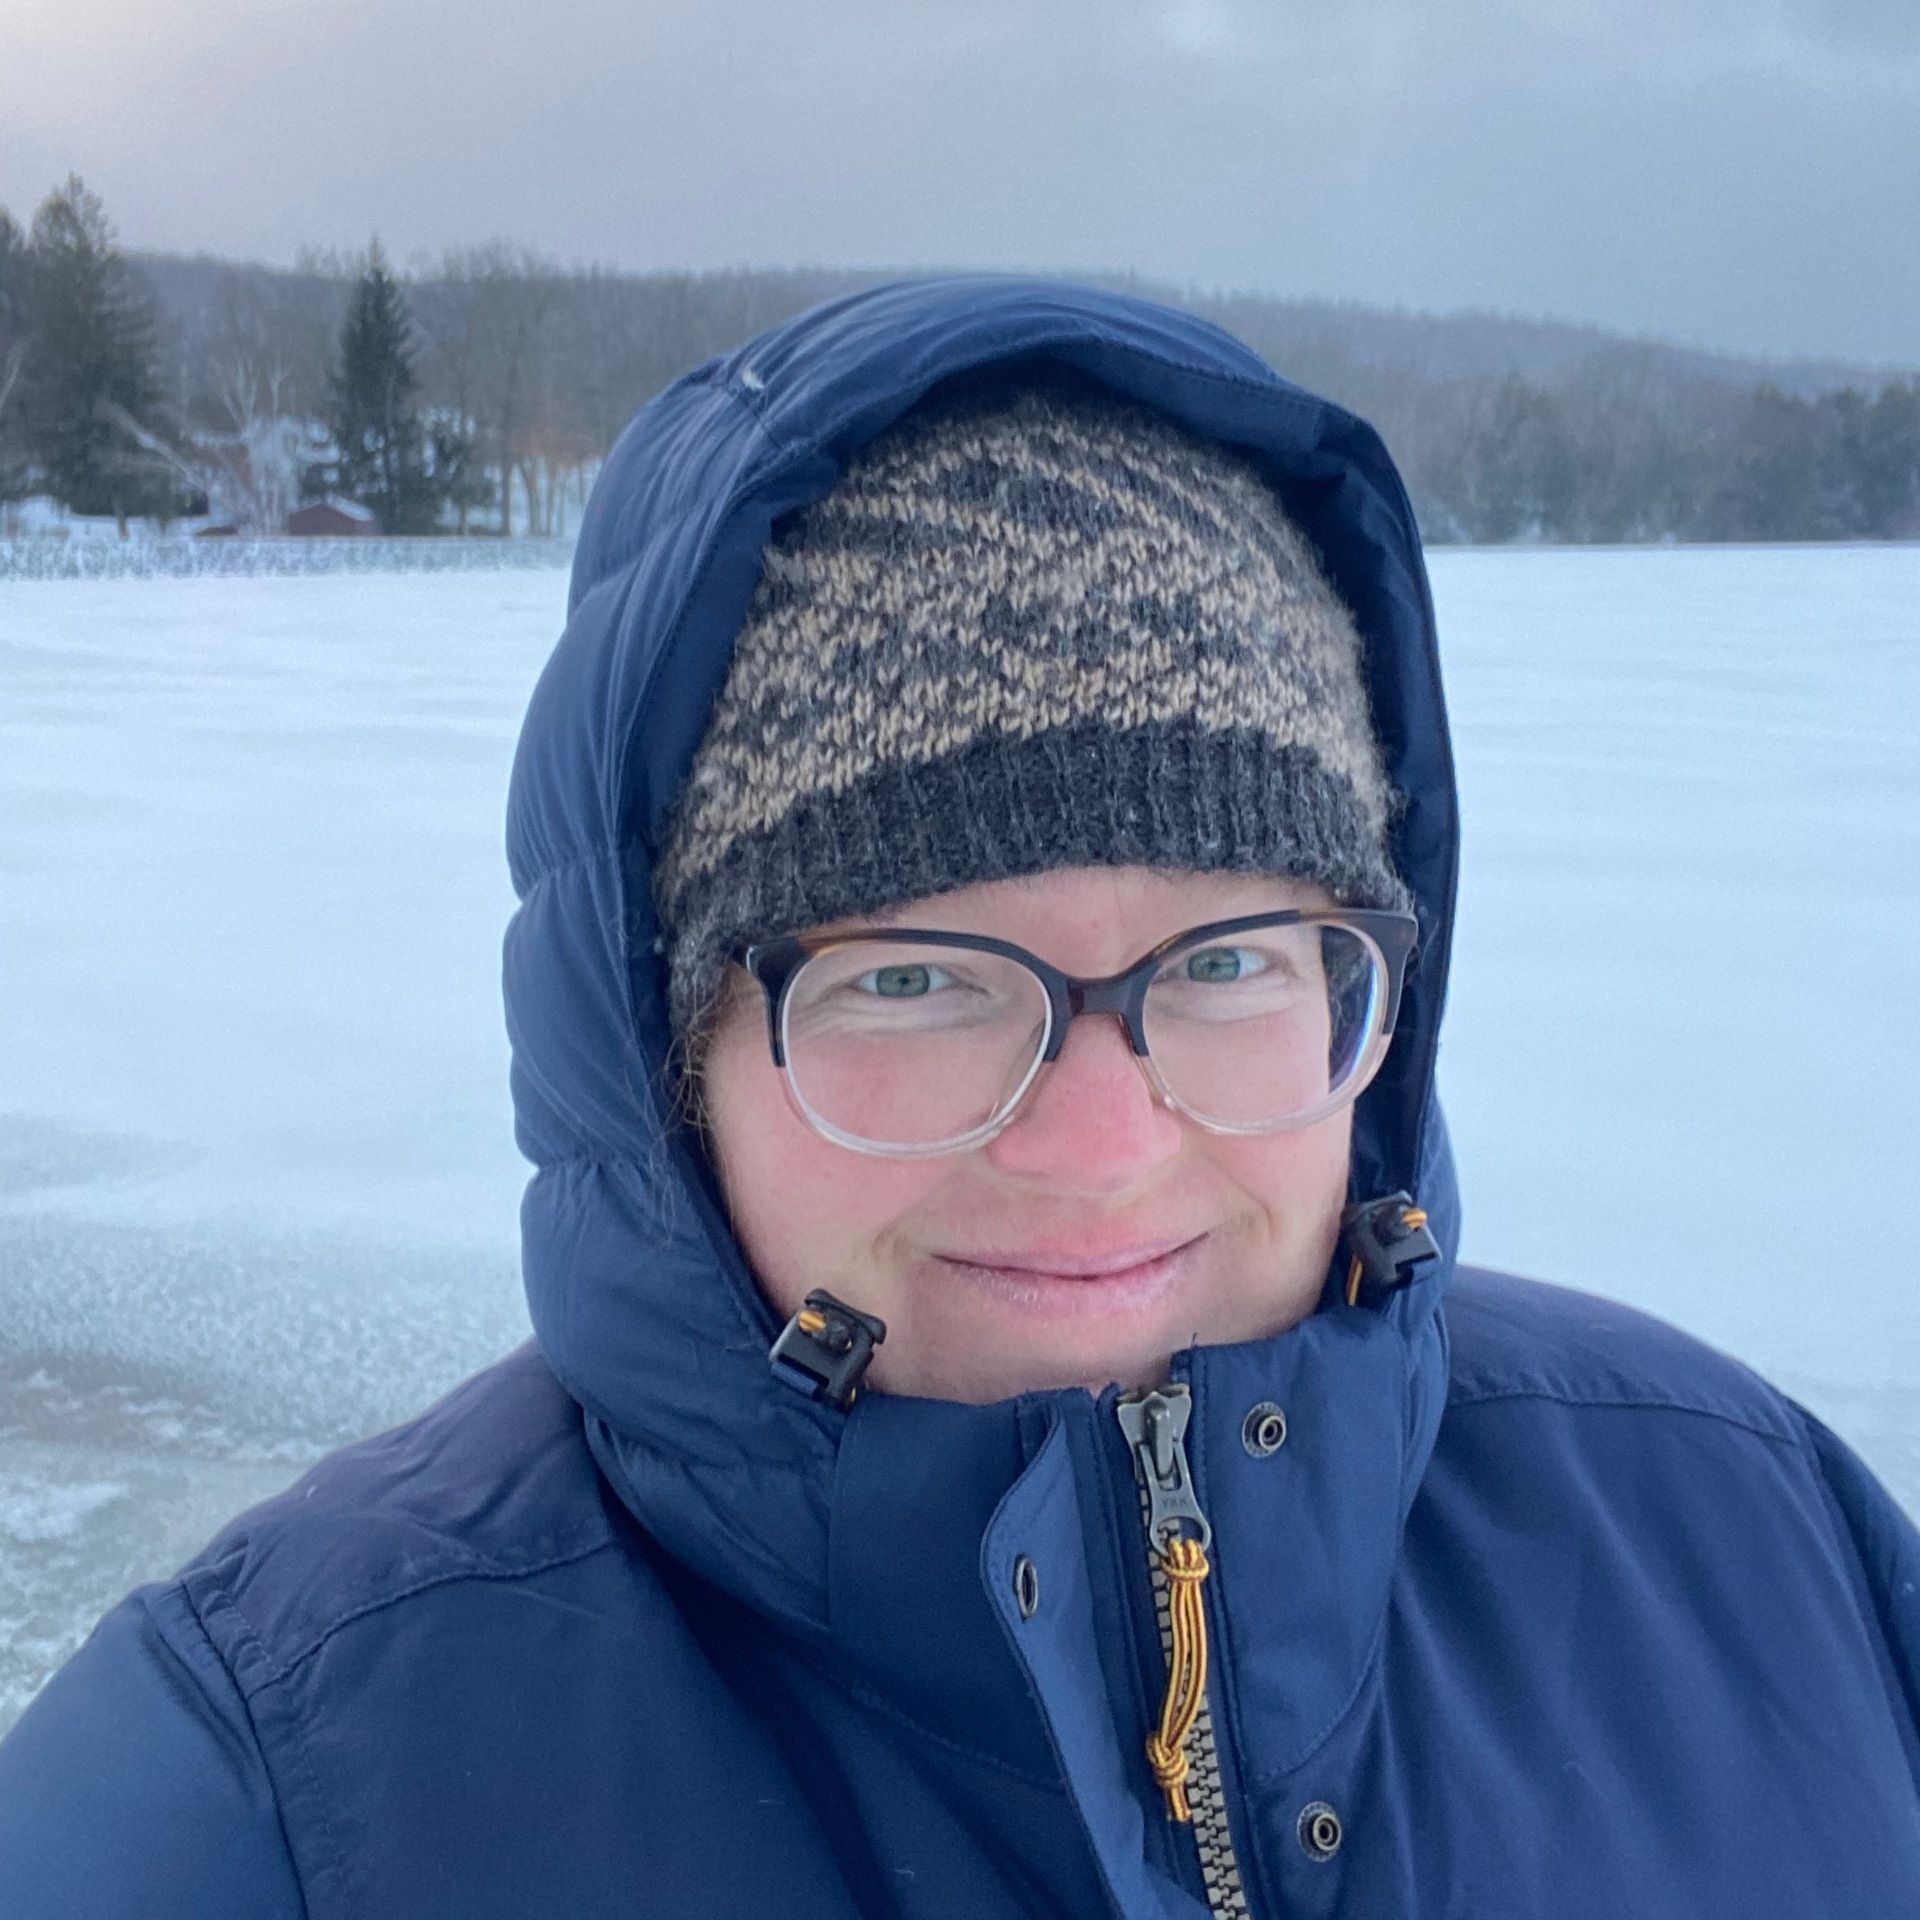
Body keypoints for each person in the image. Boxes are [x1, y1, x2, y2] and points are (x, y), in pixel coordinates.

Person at [1, 275, 1916, 1918]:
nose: (1101, 1150)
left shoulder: (1763, 1559)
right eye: (913, 978)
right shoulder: (271, 1800)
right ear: (665, 1062)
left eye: (1232, 961)